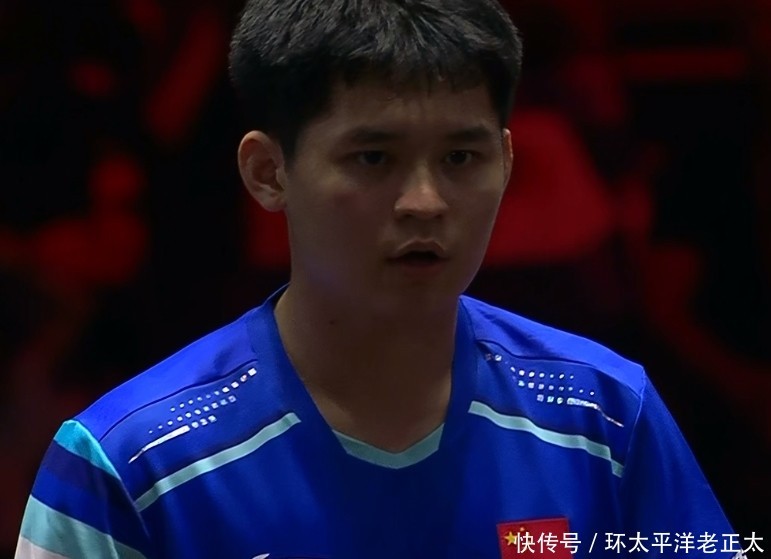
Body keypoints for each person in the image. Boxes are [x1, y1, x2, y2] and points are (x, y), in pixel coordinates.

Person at [15, 1, 746, 558]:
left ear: (506, 162)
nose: (424, 201)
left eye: (460, 158)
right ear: (268, 172)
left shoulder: (605, 414)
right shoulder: (127, 461)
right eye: (373, 158)